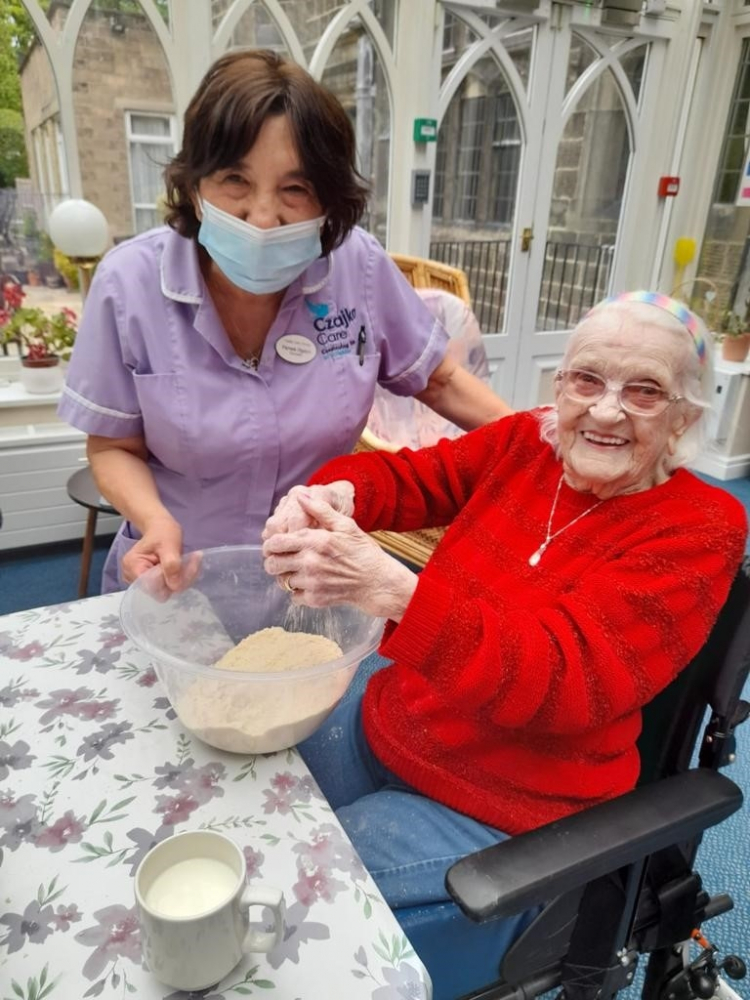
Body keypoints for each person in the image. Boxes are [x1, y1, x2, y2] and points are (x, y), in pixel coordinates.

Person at [261, 290, 748, 999]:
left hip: (504, 799)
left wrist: (397, 592)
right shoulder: (528, 440)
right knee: (238, 799)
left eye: (645, 391)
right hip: (398, 717)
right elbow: (413, 478)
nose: (606, 410)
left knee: (278, 894)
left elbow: (564, 675)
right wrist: (338, 493)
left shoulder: (701, 526)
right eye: (587, 380)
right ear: (560, 387)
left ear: (685, 417)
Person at [57, 49, 511, 594]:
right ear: (195, 183)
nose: (264, 217)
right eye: (234, 180)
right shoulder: (128, 285)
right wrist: (153, 520)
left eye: (295, 190)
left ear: (328, 201)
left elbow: (439, 380)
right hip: (177, 581)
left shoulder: (358, 267)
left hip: (311, 583)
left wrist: (543, 438)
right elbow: (111, 447)